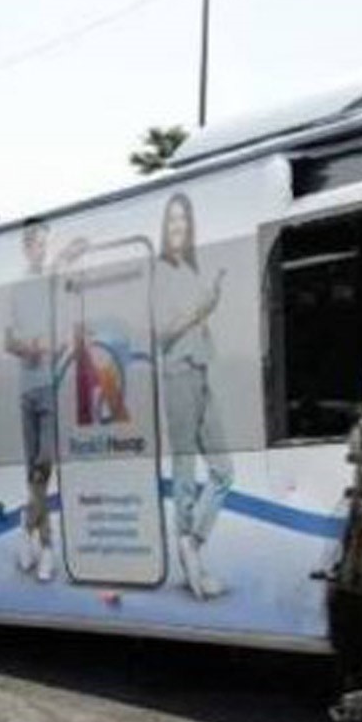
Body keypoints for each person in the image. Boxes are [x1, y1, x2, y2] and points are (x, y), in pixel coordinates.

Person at [155, 194, 233, 600]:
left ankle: (191, 544)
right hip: (178, 373)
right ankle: (190, 556)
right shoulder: (160, 272)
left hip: (201, 369)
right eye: (172, 222)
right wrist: (202, 306)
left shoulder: (190, 267)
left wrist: (212, 299)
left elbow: (195, 317)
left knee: (224, 472)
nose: (179, 228)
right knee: (185, 469)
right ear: (164, 229)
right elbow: (162, 331)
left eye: (184, 221)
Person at [4, 224, 85, 582]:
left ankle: (25, 528)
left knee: (44, 462)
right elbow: (8, 342)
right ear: (26, 248)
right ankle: (48, 548)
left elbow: (65, 332)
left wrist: (62, 345)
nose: (42, 251)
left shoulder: (50, 284)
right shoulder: (18, 289)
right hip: (27, 388)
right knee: (34, 474)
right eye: (37, 245)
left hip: (49, 387)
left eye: (45, 245)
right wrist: (32, 348)